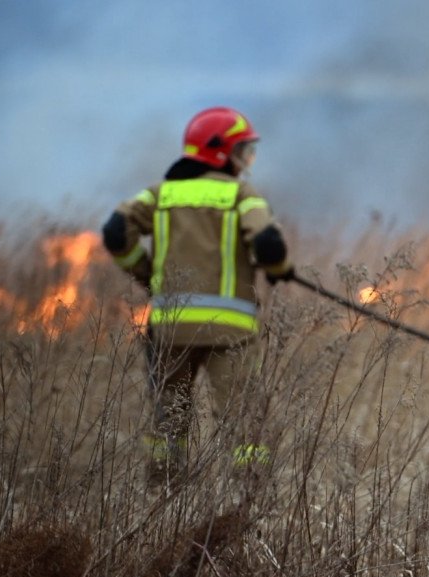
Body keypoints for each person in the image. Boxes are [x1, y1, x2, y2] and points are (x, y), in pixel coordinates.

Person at [101, 106, 294, 488]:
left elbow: (115, 231)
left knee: (169, 421)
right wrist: (279, 270)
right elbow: (269, 243)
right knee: (243, 420)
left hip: (171, 330)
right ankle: (248, 497)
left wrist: (146, 273)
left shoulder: (161, 193)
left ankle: (162, 495)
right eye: (243, 151)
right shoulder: (241, 193)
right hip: (231, 332)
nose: (246, 161)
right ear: (221, 152)